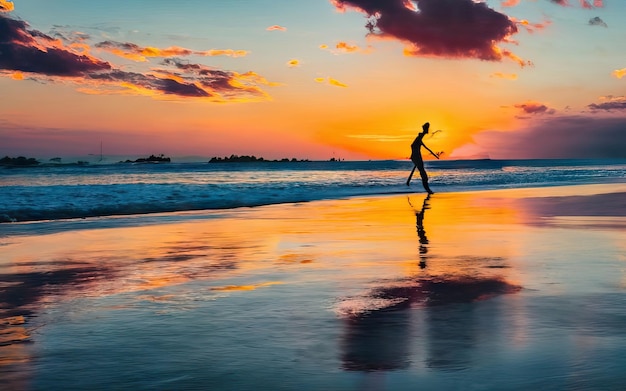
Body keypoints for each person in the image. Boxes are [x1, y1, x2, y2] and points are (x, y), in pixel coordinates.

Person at [407, 122, 439, 193]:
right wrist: (415, 154)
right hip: (416, 157)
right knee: (423, 174)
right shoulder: (418, 139)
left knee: (423, 174)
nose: (427, 131)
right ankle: (428, 190)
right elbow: (412, 145)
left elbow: (425, 147)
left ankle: (428, 189)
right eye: (426, 129)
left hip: (417, 157)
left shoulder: (419, 140)